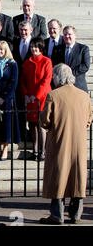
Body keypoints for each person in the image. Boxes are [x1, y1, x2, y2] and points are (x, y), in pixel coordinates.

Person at [39, 63, 92, 225]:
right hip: (78, 143)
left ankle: (57, 215)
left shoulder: (53, 95)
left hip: (59, 142)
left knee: (58, 177)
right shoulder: (84, 95)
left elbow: (45, 121)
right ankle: (76, 214)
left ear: (57, 77)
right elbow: (89, 120)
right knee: (77, 177)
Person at [20, 37, 52, 160]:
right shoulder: (27, 62)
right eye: (32, 46)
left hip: (41, 97)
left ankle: (43, 151)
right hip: (30, 98)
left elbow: (46, 80)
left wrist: (36, 95)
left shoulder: (46, 61)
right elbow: (22, 80)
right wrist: (26, 94)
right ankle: (35, 150)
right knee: (32, 124)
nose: (34, 49)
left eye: (36, 46)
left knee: (41, 124)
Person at [51, 25, 90, 93]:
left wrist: (69, 74)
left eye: (69, 34)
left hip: (78, 86)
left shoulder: (83, 49)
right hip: (62, 86)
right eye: (65, 34)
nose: (67, 36)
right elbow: (54, 65)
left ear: (75, 35)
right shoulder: (57, 49)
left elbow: (85, 66)